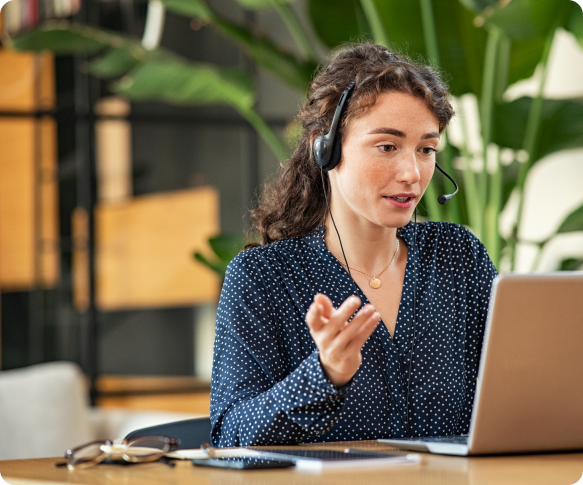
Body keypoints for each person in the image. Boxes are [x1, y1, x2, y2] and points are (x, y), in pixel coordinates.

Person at [210, 43, 497, 447]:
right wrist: (325, 374)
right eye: (387, 146)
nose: (412, 173)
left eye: (426, 149)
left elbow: (513, 395)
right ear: (324, 148)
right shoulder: (263, 278)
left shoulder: (458, 257)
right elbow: (230, 435)